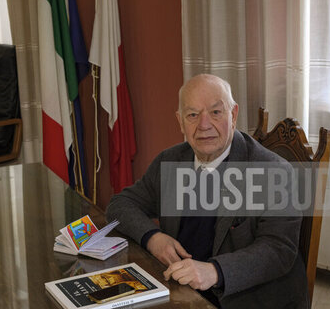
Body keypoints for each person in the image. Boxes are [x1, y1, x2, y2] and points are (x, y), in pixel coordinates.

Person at [106, 74, 309, 308]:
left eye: (215, 112)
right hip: (179, 289)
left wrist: (215, 271)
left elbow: (278, 249)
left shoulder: (273, 171)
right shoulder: (170, 161)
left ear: (233, 115)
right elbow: (120, 205)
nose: (204, 125)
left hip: (245, 298)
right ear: (180, 121)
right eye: (193, 115)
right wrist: (153, 238)